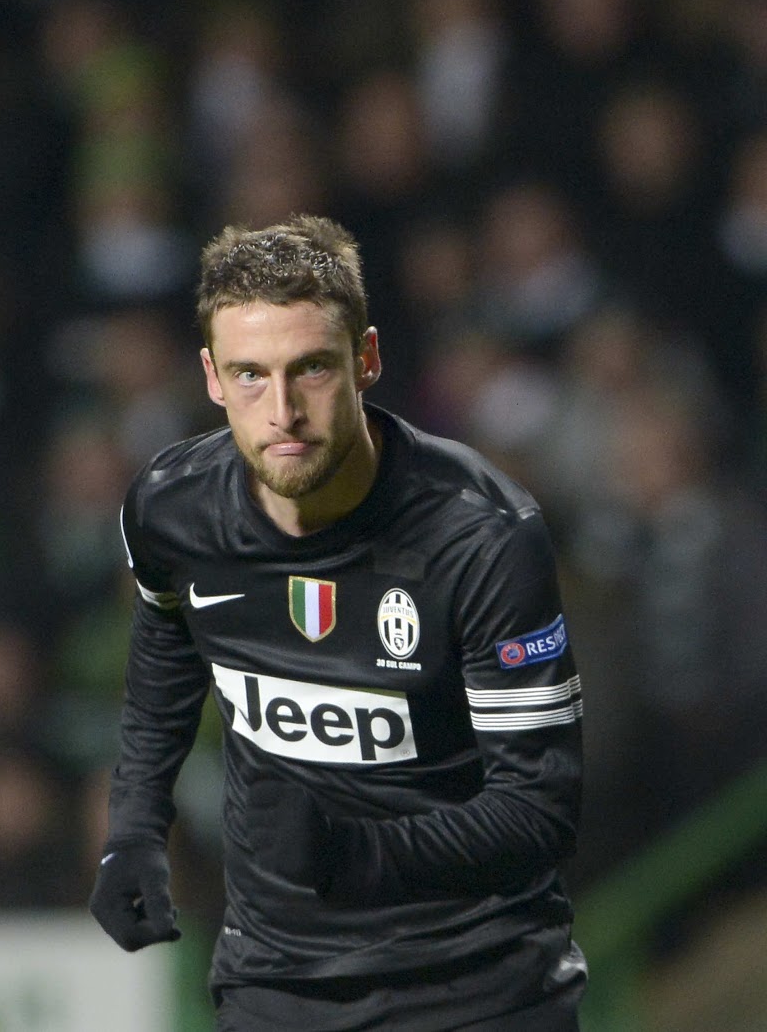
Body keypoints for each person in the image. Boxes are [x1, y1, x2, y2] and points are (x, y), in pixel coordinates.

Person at [88, 216, 587, 1031]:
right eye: (250, 375)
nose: (282, 410)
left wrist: (351, 852)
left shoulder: (482, 535)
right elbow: (165, 648)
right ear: (212, 377)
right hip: (276, 985)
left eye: (311, 368)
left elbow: (540, 811)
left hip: (478, 985)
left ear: (366, 359)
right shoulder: (171, 508)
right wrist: (136, 827)